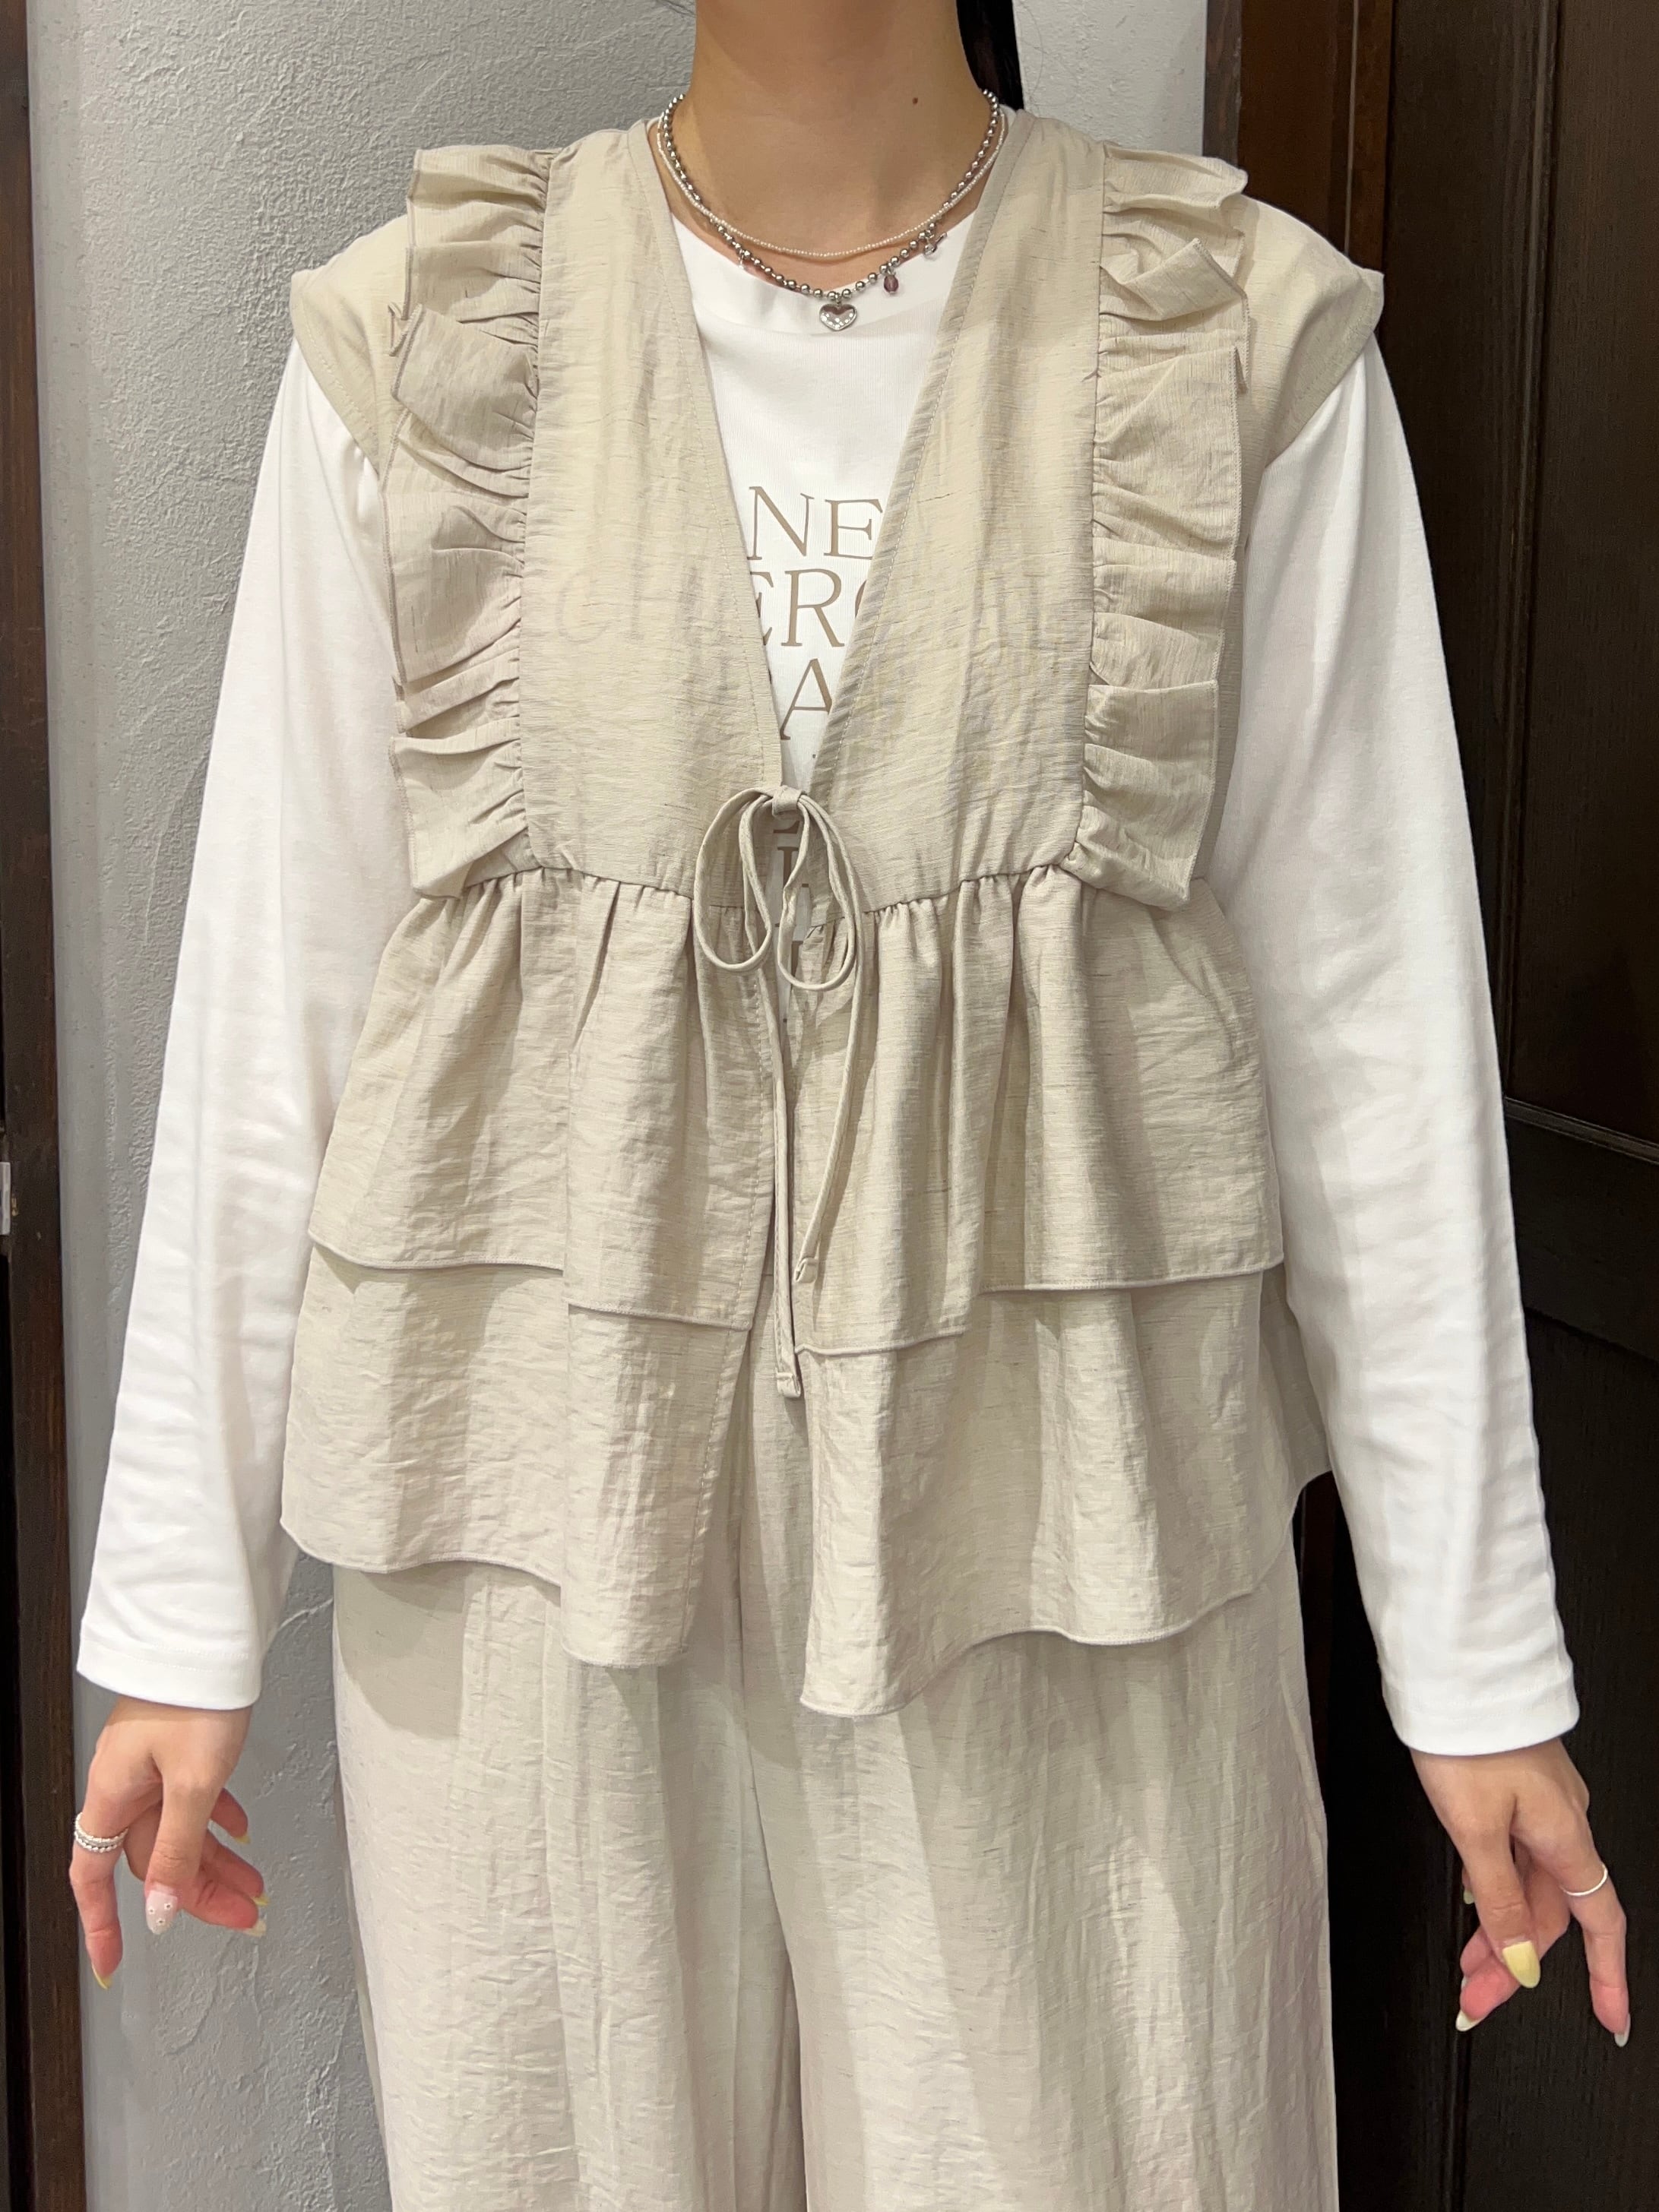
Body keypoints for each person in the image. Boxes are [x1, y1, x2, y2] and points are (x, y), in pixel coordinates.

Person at [68, 2, 1629, 2205]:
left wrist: (1473, 1661)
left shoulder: (1227, 344)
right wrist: (178, 1612)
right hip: (541, 1525)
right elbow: (278, 994)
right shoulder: (427, 345)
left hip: (1070, 1540)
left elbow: (1374, 1037)